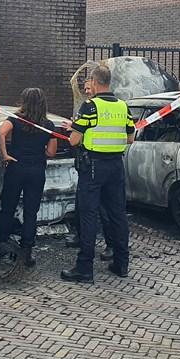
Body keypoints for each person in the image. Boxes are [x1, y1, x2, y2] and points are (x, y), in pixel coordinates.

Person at [61, 66, 135, 283]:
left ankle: (84, 268)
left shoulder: (90, 106)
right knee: (118, 214)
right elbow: (130, 139)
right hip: (116, 167)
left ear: (93, 82)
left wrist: (78, 132)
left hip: (93, 167)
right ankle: (121, 264)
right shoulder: (123, 106)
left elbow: (74, 140)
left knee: (89, 215)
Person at [0, 87, 57, 267]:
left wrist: (5, 154)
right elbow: (52, 152)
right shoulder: (48, 125)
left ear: (24, 101)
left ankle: (0, 245)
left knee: (7, 207)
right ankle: (27, 251)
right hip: (36, 171)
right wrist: (41, 150)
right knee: (31, 212)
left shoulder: (15, 119)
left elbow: (1, 132)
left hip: (16, 167)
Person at [64, 77, 116, 261]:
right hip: (87, 165)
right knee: (82, 206)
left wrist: (76, 132)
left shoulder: (95, 107)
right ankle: (82, 238)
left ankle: (107, 246)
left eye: (88, 88)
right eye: (85, 88)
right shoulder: (89, 107)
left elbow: (79, 138)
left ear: (96, 85)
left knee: (100, 210)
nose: (86, 91)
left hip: (96, 165)